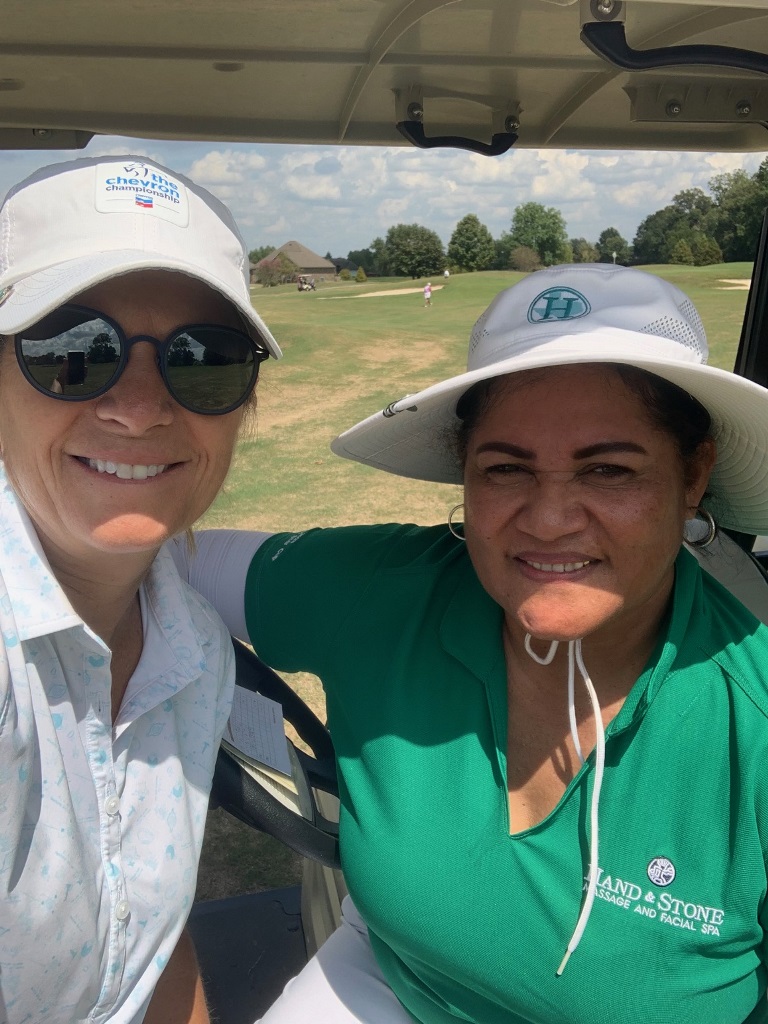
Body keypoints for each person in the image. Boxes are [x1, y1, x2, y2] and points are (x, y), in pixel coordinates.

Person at [174, 264, 768, 1023]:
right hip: (395, 976)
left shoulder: (750, 711)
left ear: (694, 476)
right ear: (465, 474)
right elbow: (149, 554)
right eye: (506, 468)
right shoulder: (390, 589)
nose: (550, 519)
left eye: (610, 469)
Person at [0, 155, 281, 1024]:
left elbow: (144, 947)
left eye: (204, 361)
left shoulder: (191, 651)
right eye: (72, 352)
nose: (140, 406)